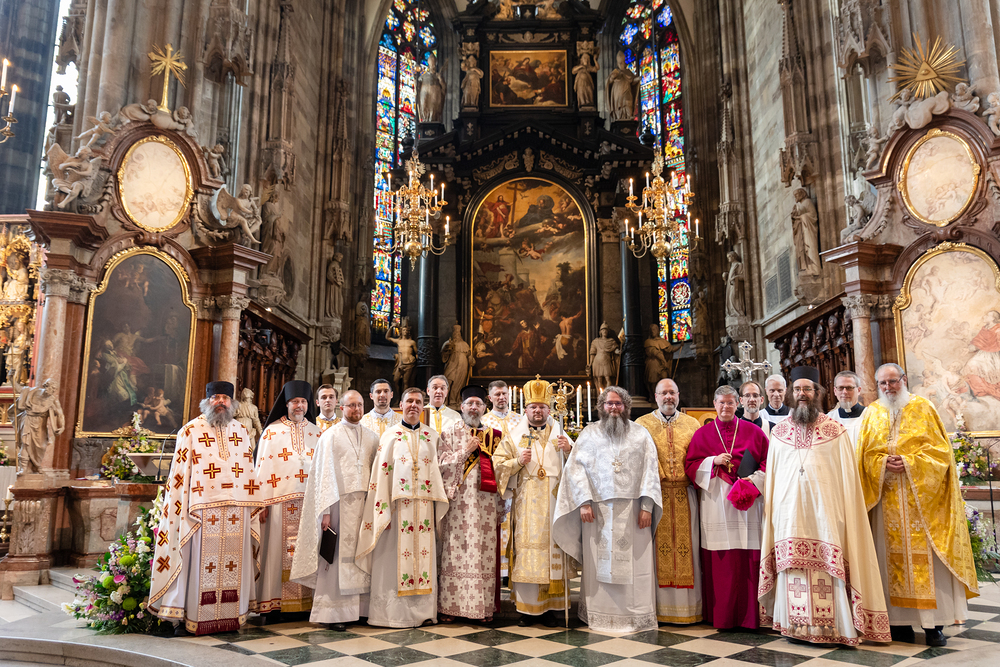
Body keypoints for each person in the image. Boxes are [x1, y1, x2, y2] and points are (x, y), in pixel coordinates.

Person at [759, 366, 889, 646]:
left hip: (826, 517)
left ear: (817, 392)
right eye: (797, 389)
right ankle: (794, 626)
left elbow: (847, 481)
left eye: (807, 389)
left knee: (827, 571)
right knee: (792, 569)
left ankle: (833, 629)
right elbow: (773, 479)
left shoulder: (835, 431)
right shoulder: (779, 433)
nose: (802, 394)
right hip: (788, 518)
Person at [857, 363, 979, 647]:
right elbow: (862, 456)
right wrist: (881, 462)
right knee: (888, 563)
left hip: (923, 502)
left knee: (929, 564)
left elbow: (941, 453)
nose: (888, 387)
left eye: (893, 381)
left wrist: (910, 462)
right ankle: (898, 623)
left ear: (904, 380)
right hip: (885, 499)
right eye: (883, 383)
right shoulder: (871, 413)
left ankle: (933, 625)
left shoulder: (924, 408)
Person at [149, 382, 260, 636]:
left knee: (232, 565)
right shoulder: (190, 431)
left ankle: (229, 617)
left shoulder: (242, 431)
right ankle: (189, 617)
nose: (220, 402)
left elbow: (248, 470)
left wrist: (254, 503)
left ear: (232, 402)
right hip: (200, 512)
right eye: (215, 397)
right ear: (207, 401)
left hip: (236, 510)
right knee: (197, 564)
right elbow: (179, 476)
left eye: (225, 398)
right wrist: (181, 507)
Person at [554, 386, 661, 632]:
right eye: (609, 404)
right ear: (601, 407)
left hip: (634, 510)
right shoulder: (589, 434)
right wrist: (583, 502)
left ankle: (635, 617)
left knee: (636, 566)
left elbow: (650, 470)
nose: (613, 408)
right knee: (597, 564)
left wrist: (647, 506)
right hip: (597, 511)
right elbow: (576, 470)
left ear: (626, 407)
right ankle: (599, 614)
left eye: (618, 403)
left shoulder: (641, 434)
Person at [356, 387, 449, 628]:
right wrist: (382, 511)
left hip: (424, 510)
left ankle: (424, 613)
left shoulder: (432, 436)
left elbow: (440, 474)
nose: (414, 405)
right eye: (410, 401)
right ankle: (391, 615)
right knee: (393, 560)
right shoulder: (390, 436)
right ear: (401, 404)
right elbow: (379, 478)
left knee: (424, 560)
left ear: (422, 406)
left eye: (418, 402)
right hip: (396, 511)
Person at [291, 390, 379, 630]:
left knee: (363, 555)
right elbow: (324, 475)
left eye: (359, 405)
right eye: (351, 405)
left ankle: (360, 610)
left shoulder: (372, 437)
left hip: (365, 505)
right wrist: (326, 511)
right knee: (337, 557)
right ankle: (334, 614)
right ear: (342, 408)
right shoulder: (330, 436)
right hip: (339, 504)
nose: (356, 409)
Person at [684, 385, 769, 629]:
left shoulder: (754, 432)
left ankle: (750, 616)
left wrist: (752, 483)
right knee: (721, 561)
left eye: (730, 402)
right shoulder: (702, 434)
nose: (725, 407)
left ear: (737, 404)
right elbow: (691, 466)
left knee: (749, 557)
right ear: (714, 404)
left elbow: (769, 462)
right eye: (721, 402)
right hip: (716, 501)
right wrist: (713, 461)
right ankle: (722, 615)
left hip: (749, 503)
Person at [492, 376, 573, 627]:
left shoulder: (561, 434)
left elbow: (579, 467)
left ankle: (551, 610)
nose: (537, 411)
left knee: (552, 552)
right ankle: (527, 611)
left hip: (554, 501)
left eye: (542, 407)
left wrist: (569, 451)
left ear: (549, 410)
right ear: (525, 410)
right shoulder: (513, 436)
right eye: (533, 407)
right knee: (527, 552)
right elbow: (497, 465)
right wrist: (518, 462)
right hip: (526, 503)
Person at [635, 378, 702, 624]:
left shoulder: (693, 424)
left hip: (686, 494)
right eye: (663, 393)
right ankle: (659, 608)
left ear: (678, 395)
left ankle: (688, 610)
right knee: (655, 551)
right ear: (655, 396)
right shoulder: (641, 425)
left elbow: (698, 458)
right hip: (655, 496)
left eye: (672, 392)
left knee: (689, 548)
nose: (668, 397)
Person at [253, 380, 322, 618]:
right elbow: (261, 469)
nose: (299, 406)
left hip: (309, 505)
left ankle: (306, 604)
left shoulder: (317, 433)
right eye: (295, 402)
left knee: (308, 552)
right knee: (275, 554)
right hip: (278, 504)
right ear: (287, 403)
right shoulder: (271, 432)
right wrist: (261, 503)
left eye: (303, 401)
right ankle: (274, 603)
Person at [436, 385, 504, 622]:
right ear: (461, 407)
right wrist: (465, 451)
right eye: (470, 404)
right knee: (456, 551)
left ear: (485, 408)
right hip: (459, 504)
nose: (474, 408)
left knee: (484, 553)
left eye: (478, 404)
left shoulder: (495, 436)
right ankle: (450, 607)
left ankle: (483, 608)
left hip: (487, 504)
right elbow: (441, 465)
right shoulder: (449, 433)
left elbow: (503, 468)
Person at [482, 380, 523, 583]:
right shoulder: (483, 421)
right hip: (492, 481)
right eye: (497, 394)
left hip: (517, 479)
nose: (501, 397)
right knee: (494, 525)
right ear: (490, 398)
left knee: (515, 523)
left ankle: (513, 569)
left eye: (504, 393)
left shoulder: (521, 420)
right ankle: (496, 569)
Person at [827, 371, 865, 443]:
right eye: (840, 388)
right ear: (835, 391)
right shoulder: (829, 419)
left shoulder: (870, 416)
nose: (844, 392)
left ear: (859, 390)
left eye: (849, 388)